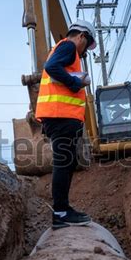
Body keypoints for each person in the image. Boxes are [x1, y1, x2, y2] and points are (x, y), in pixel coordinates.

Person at [35, 20, 96, 229]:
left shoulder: (63, 49)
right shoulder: (69, 46)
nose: (85, 51)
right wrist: (75, 82)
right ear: (81, 37)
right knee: (64, 162)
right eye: (87, 45)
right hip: (59, 116)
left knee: (66, 162)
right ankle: (61, 212)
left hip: (59, 117)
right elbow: (51, 68)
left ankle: (64, 209)